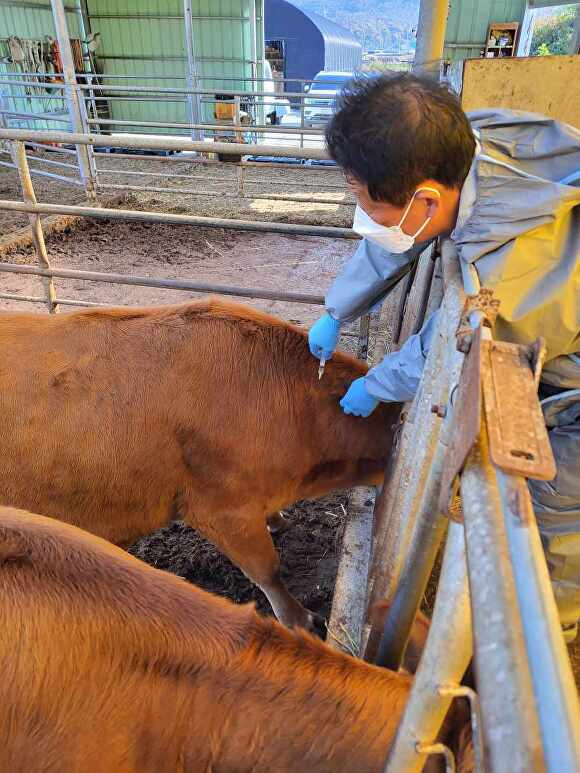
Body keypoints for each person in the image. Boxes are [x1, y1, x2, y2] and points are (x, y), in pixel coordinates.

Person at [308, 74, 580, 640]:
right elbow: (397, 235)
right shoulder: (467, 144)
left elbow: (446, 346)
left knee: (553, 515)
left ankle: (543, 642)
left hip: (571, 386)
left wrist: (375, 384)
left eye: (369, 207)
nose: (366, 219)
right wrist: (337, 308)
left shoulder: (513, 266)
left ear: (427, 197)